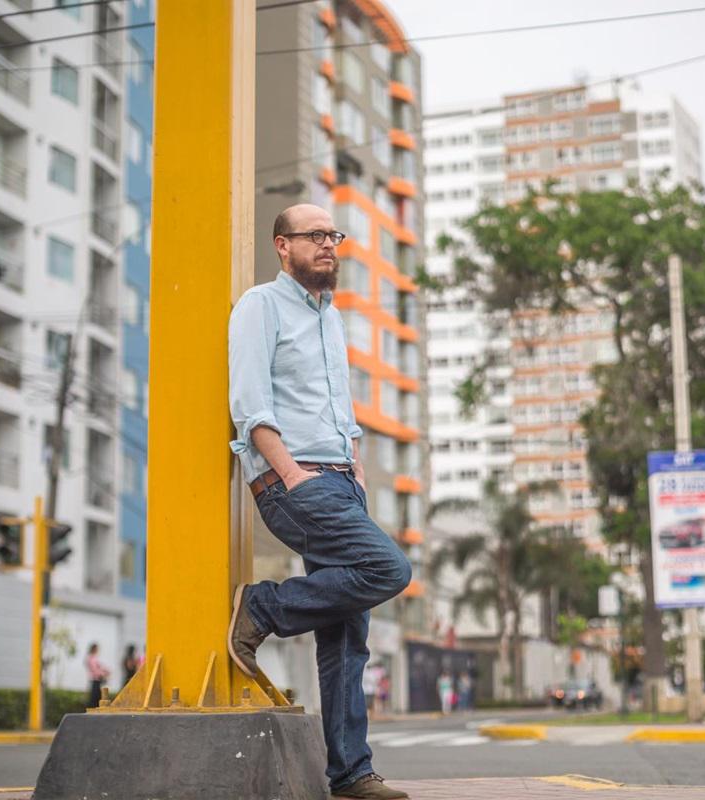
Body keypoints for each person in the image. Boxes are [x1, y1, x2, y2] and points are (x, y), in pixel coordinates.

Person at [226, 204, 412, 800]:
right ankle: (262, 609)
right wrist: (290, 473)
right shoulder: (261, 305)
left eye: (333, 235)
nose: (328, 244)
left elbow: (339, 405)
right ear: (283, 246)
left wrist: (354, 458)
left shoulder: (332, 319)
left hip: (341, 481)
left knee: (345, 639)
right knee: (388, 568)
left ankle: (351, 773)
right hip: (294, 481)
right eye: (314, 235)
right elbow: (250, 403)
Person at [84, 643, 110, 709]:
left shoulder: (92, 658)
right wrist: (104, 674)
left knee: (96, 698)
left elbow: (99, 667)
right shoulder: (92, 658)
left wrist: (105, 671)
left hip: (97, 680)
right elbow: (95, 670)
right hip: (95, 680)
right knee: (95, 699)